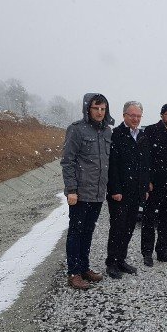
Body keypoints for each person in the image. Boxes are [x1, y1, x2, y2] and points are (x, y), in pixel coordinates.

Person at [61, 93, 114, 290]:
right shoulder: (76, 130)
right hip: (81, 193)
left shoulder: (107, 132)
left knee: (88, 232)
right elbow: (68, 161)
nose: (100, 112)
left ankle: (84, 268)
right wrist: (71, 190)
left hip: (98, 193)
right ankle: (73, 273)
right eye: (96, 108)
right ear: (88, 109)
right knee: (76, 232)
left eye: (103, 109)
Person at [105, 101, 150, 279]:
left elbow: (146, 163)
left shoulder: (142, 136)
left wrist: (145, 187)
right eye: (132, 115)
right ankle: (111, 262)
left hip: (136, 191)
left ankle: (121, 259)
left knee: (129, 226)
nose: (135, 119)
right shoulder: (116, 134)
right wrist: (115, 189)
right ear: (124, 115)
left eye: (138, 116)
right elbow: (112, 165)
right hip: (119, 191)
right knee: (117, 227)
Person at [140, 103, 167, 267]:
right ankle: (147, 253)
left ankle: (162, 251)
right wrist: (147, 180)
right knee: (149, 218)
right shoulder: (151, 131)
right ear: (161, 115)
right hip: (155, 183)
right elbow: (145, 158)